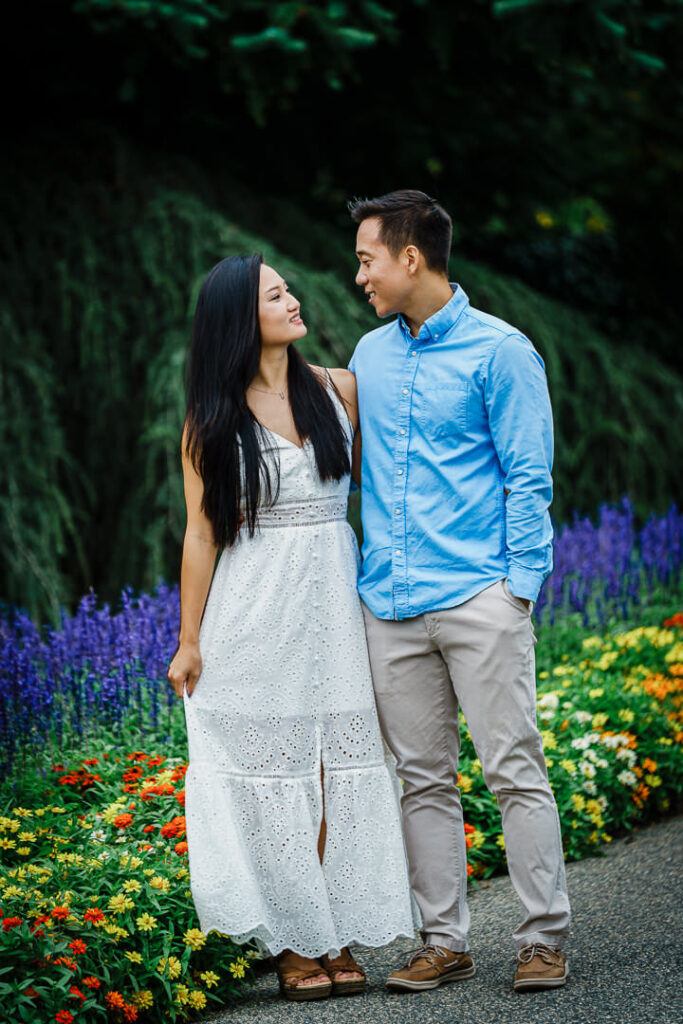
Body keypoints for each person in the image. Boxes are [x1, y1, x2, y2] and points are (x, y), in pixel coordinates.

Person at [166, 253, 415, 1002]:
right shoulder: (211, 421)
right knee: (271, 776)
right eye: (276, 295)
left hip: (338, 609)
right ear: (242, 319)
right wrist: (188, 639)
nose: (294, 300)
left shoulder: (337, 390)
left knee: (334, 773)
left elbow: (384, 494)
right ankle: (295, 943)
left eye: (288, 289)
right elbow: (201, 535)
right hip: (255, 612)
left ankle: (333, 928)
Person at [347, 190, 571, 993]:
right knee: (422, 778)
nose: (360, 274)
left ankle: (542, 937)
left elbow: (527, 478)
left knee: (514, 768)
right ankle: (444, 941)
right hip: (391, 606)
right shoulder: (368, 355)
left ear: (412, 257)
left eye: (368, 257)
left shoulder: (500, 351)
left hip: (479, 595)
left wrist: (517, 590)